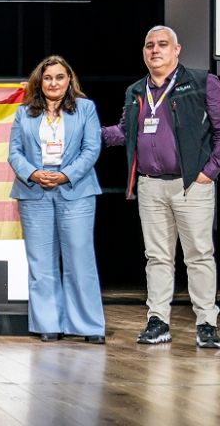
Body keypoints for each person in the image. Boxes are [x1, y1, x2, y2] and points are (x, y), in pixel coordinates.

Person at [102, 26, 220, 348]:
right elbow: (125, 131)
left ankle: (206, 322)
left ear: (176, 49)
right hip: (150, 186)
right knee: (156, 257)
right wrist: (89, 133)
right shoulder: (136, 90)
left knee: (199, 255)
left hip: (191, 185)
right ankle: (158, 320)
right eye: (149, 45)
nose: (155, 50)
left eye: (162, 44)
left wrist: (210, 171)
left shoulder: (202, 82)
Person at [8, 55, 105, 343]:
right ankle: (47, 323)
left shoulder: (86, 108)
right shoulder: (24, 112)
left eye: (59, 77)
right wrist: (34, 173)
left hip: (76, 190)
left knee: (80, 259)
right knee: (41, 262)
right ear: (39, 82)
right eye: (48, 78)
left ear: (69, 79)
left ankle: (88, 326)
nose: (53, 83)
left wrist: (65, 175)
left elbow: (91, 148)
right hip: (33, 191)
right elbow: (14, 152)